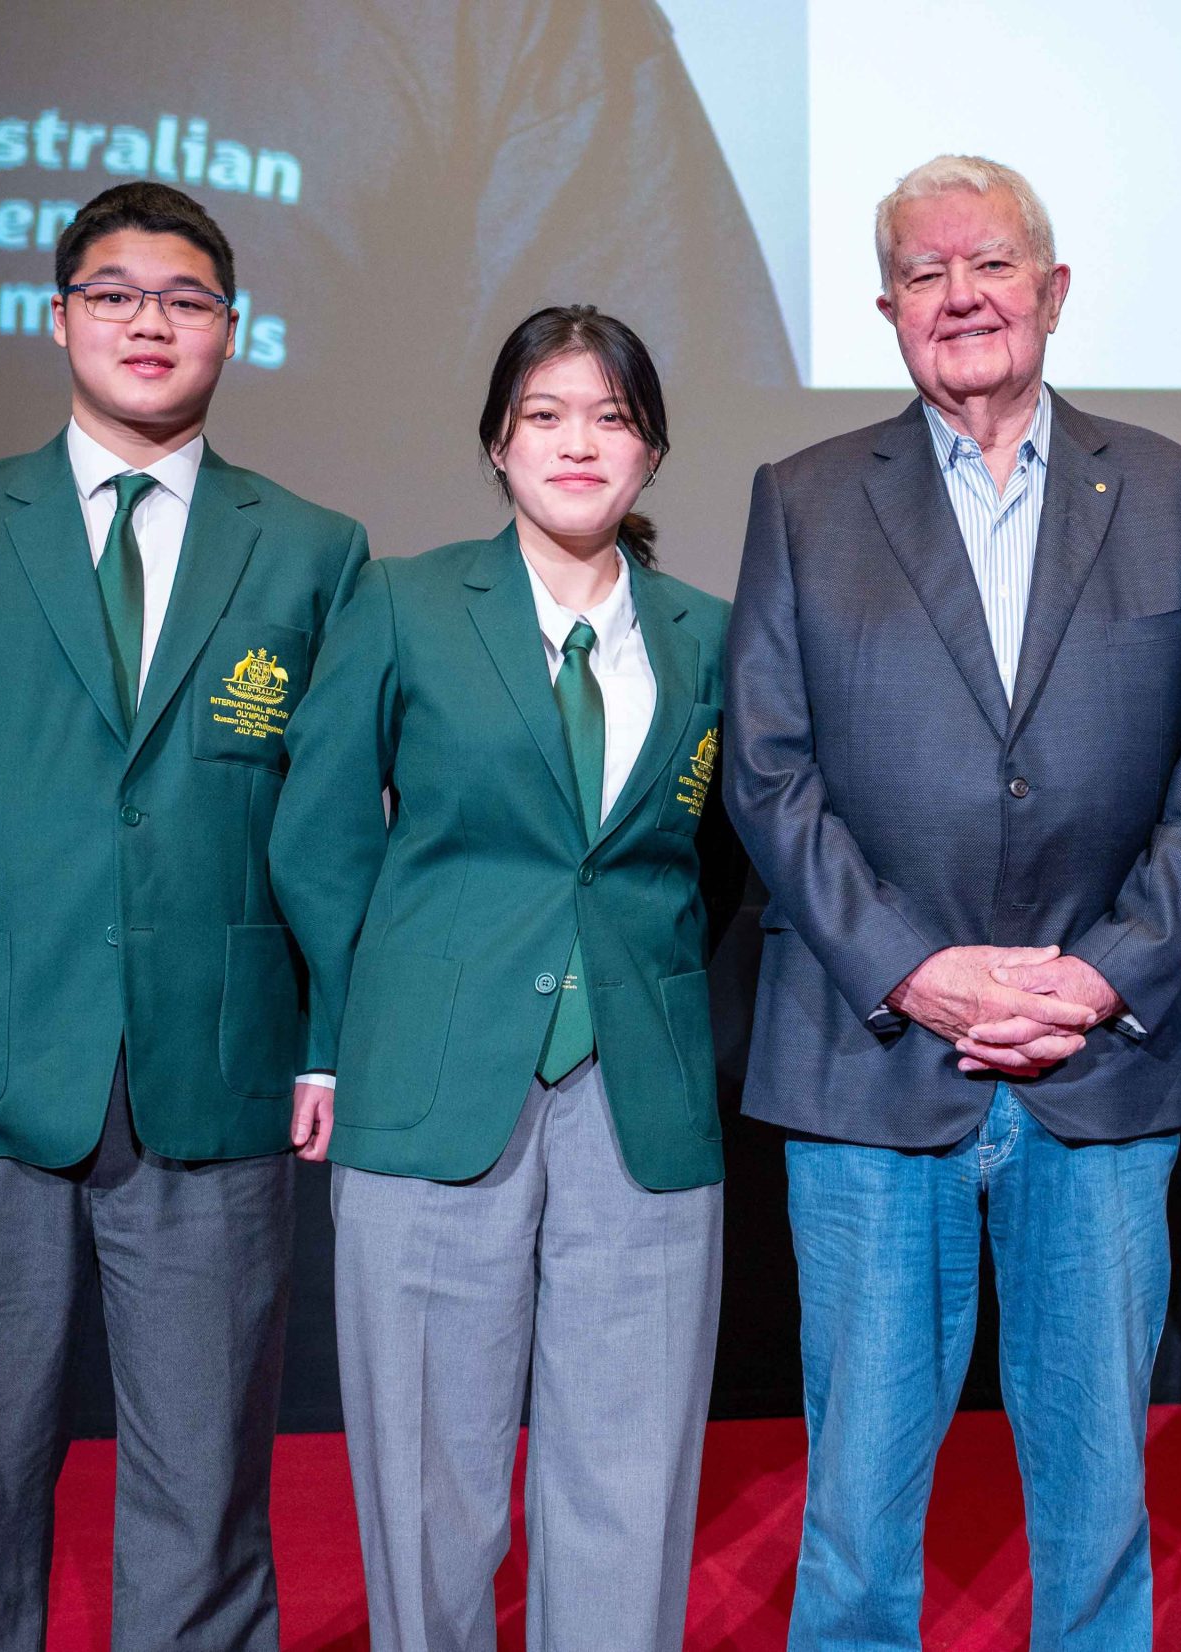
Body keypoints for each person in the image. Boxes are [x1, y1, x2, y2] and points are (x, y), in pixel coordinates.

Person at [0, 181, 367, 1652]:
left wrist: (330, 1039)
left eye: (185, 299)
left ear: (232, 331)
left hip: (219, 1074)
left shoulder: (312, 548)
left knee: (207, 1494)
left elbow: (330, 831)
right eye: (115, 294)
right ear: (59, 320)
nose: (148, 323)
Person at [723, 155, 1181, 1651]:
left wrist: (1101, 975)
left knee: (1098, 1500)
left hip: (1104, 1058)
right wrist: (918, 971)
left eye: (993, 264)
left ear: (1054, 289)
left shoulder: (1175, 492)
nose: (961, 297)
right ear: (888, 307)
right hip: (872, 1058)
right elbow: (769, 774)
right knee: (856, 1503)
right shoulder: (805, 499)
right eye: (925, 272)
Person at [270, 305, 744, 1652]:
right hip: (431, 1084)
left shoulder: (709, 634)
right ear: (498, 442)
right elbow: (319, 841)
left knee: (630, 1479)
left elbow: (714, 862)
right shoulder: (404, 604)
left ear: (652, 451)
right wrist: (356, 1026)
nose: (577, 443)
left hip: (640, 1096)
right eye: (545, 415)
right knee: (429, 1481)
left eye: (611, 418)